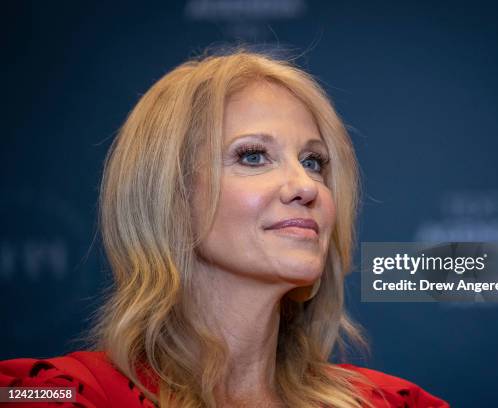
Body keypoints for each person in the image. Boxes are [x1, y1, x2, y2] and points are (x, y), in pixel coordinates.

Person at [0, 50, 449, 408]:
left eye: (313, 161)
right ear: (169, 194)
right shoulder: (58, 395)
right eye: (252, 156)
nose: (305, 186)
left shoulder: (391, 402)